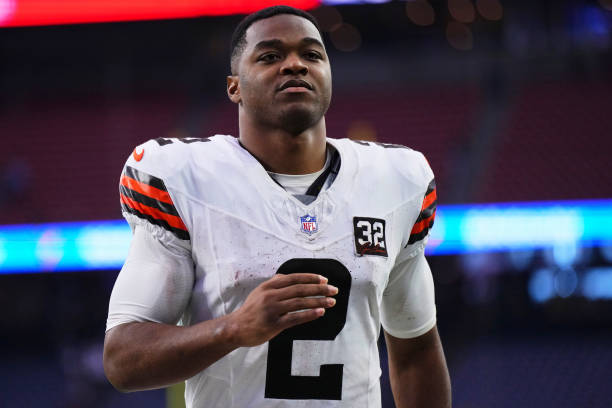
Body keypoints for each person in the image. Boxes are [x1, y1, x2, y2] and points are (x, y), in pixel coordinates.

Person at [103, 5, 451, 408]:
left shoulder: (396, 180)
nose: (295, 65)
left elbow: (416, 352)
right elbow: (123, 360)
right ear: (234, 86)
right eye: (270, 56)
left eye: (312, 55)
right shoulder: (183, 178)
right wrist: (234, 328)